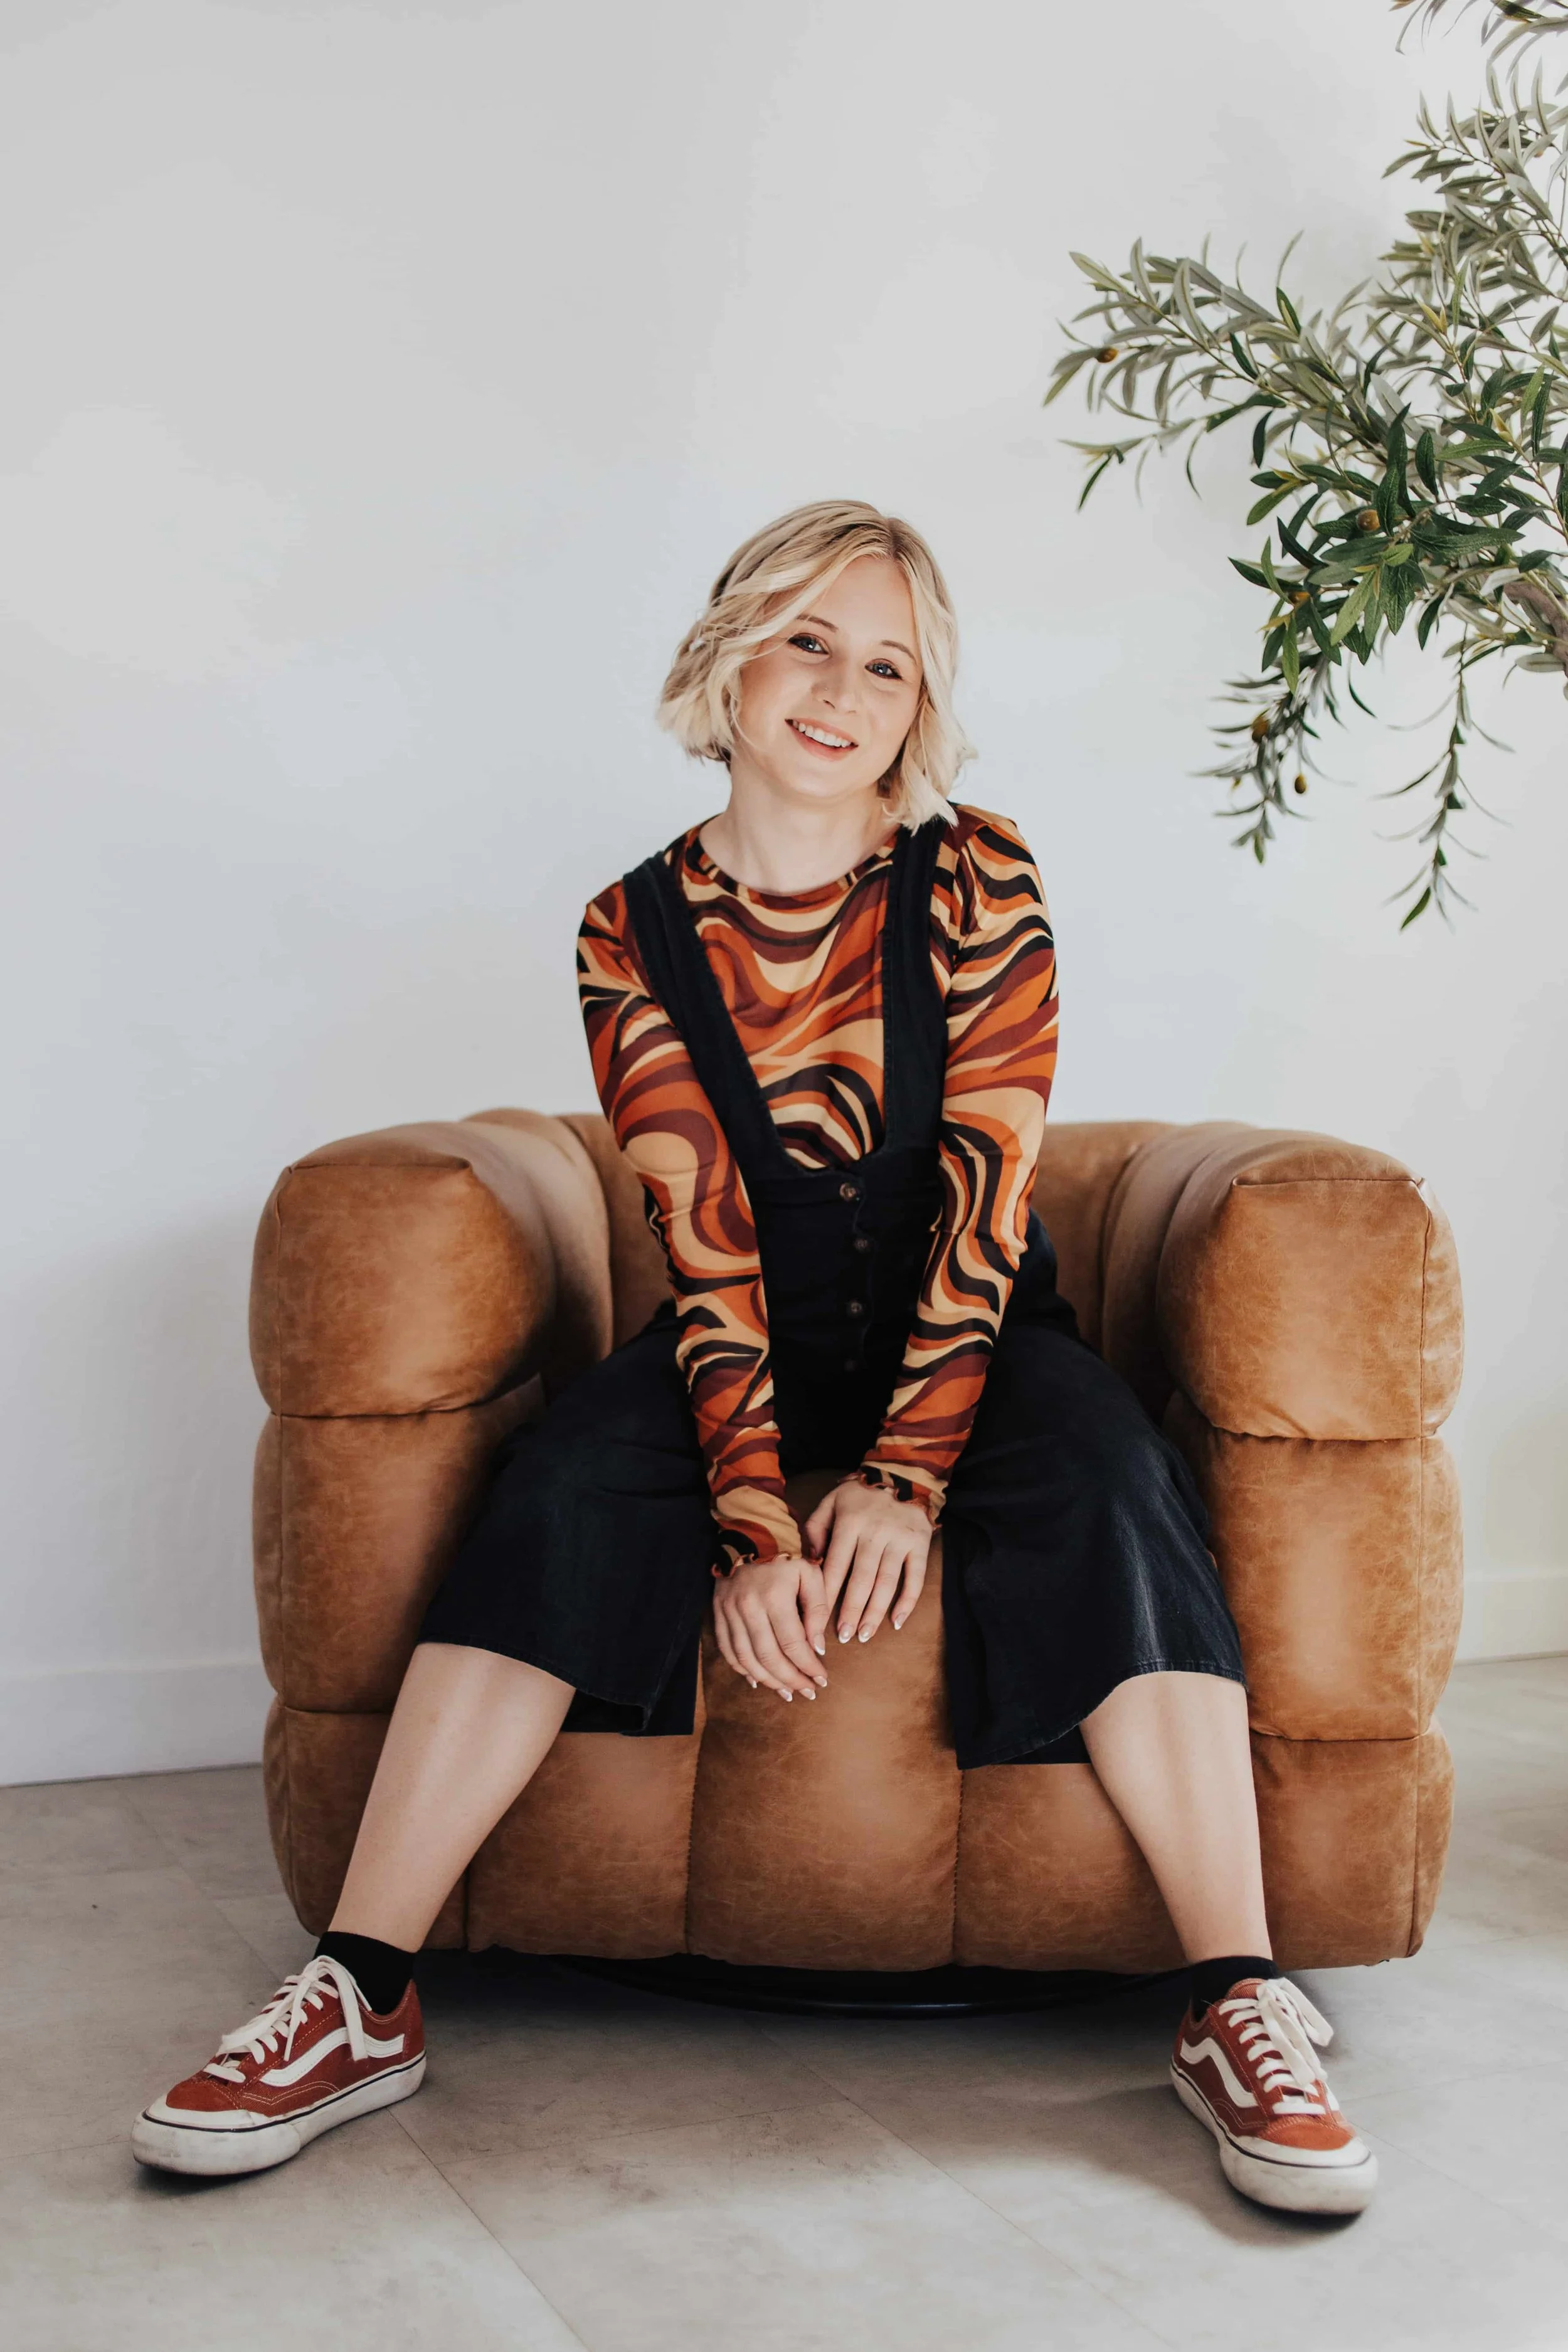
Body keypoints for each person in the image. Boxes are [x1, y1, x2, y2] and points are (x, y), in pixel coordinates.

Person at [132, 500, 1376, 2217]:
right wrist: (753, 1516)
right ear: (732, 656)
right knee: (559, 1490)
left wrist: (904, 1474)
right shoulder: (629, 925)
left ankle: (1235, 1997)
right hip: (744, 1333)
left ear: (920, 705)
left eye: (888, 665)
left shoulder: (979, 871)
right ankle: (360, 1990)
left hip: (973, 1322)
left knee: (1111, 1484)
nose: (841, 691)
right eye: (808, 641)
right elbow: (700, 1229)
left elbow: (990, 1186)